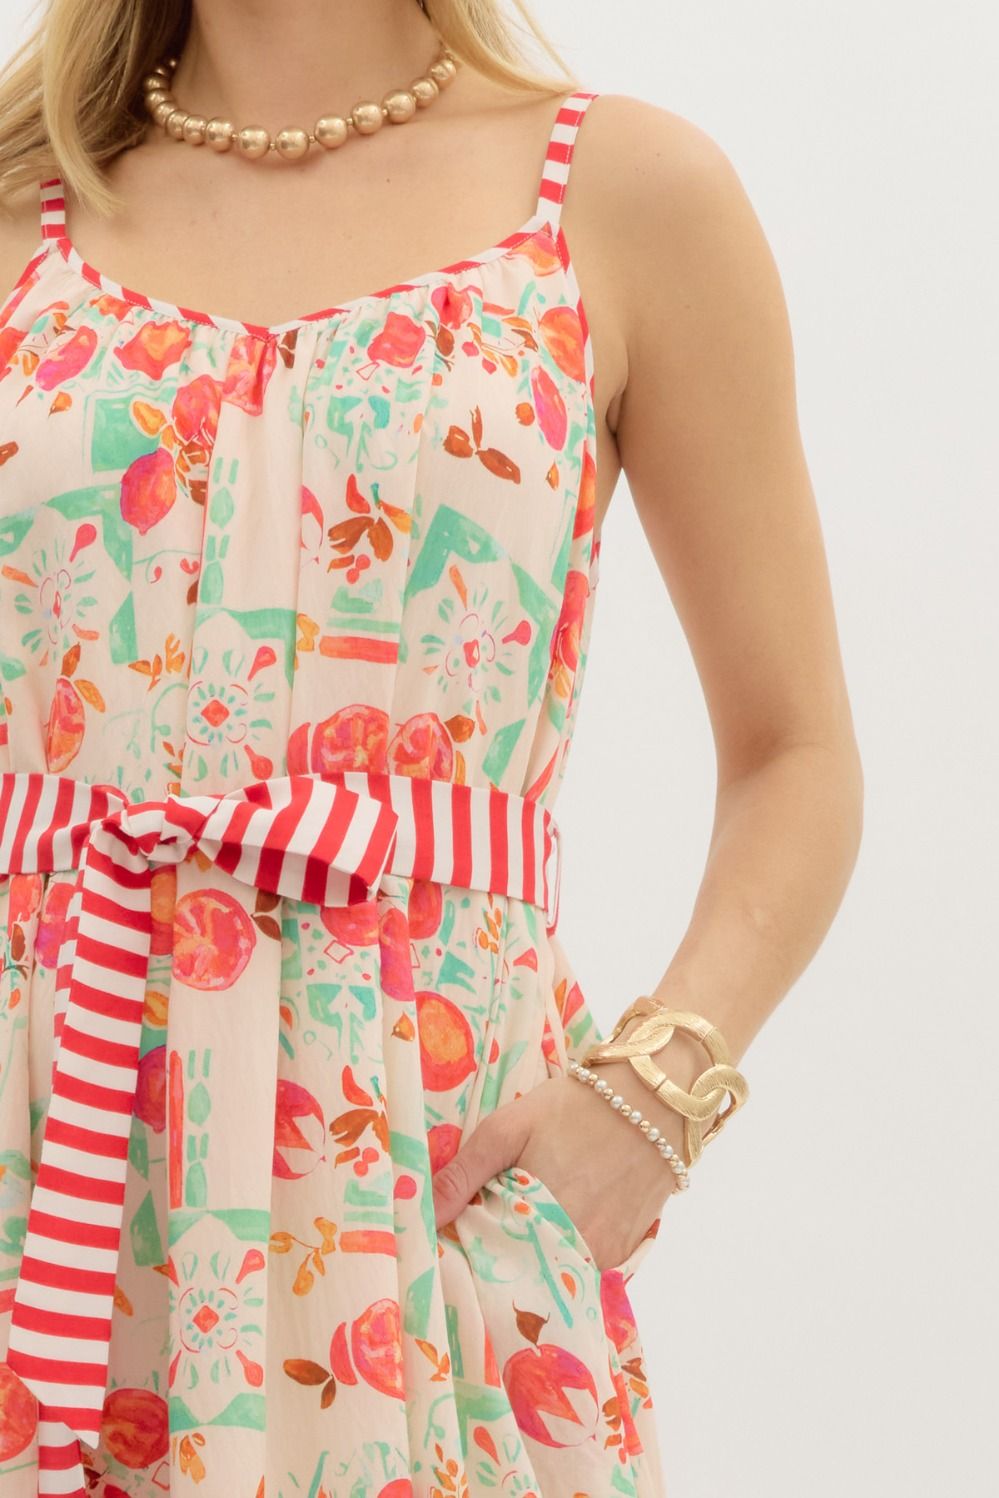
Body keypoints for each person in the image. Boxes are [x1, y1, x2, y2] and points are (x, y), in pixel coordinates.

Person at [0, 0, 864, 1494]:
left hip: (427, 1184)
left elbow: (797, 750)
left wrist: (651, 1101)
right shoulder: (20, 210)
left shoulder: (623, 201)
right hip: (45, 1160)